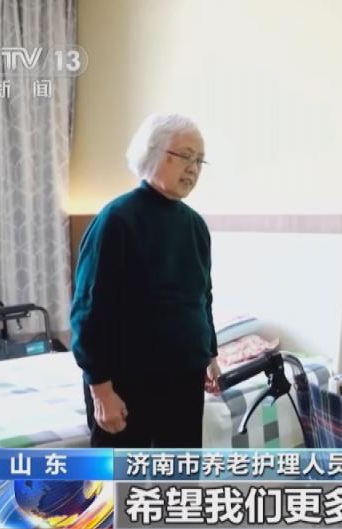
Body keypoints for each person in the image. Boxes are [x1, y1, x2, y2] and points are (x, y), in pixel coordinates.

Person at [71, 113, 222, 448]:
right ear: (152, 151)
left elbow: (202, 298)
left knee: (179, 477)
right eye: (185, 156)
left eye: (199, 160)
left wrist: (209, 355)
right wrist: (101, 390)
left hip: (184, 380)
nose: (193, 169)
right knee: (120, 479)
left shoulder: (195, 225)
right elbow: (88, 310)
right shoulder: (117, 219)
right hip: (126, 382)